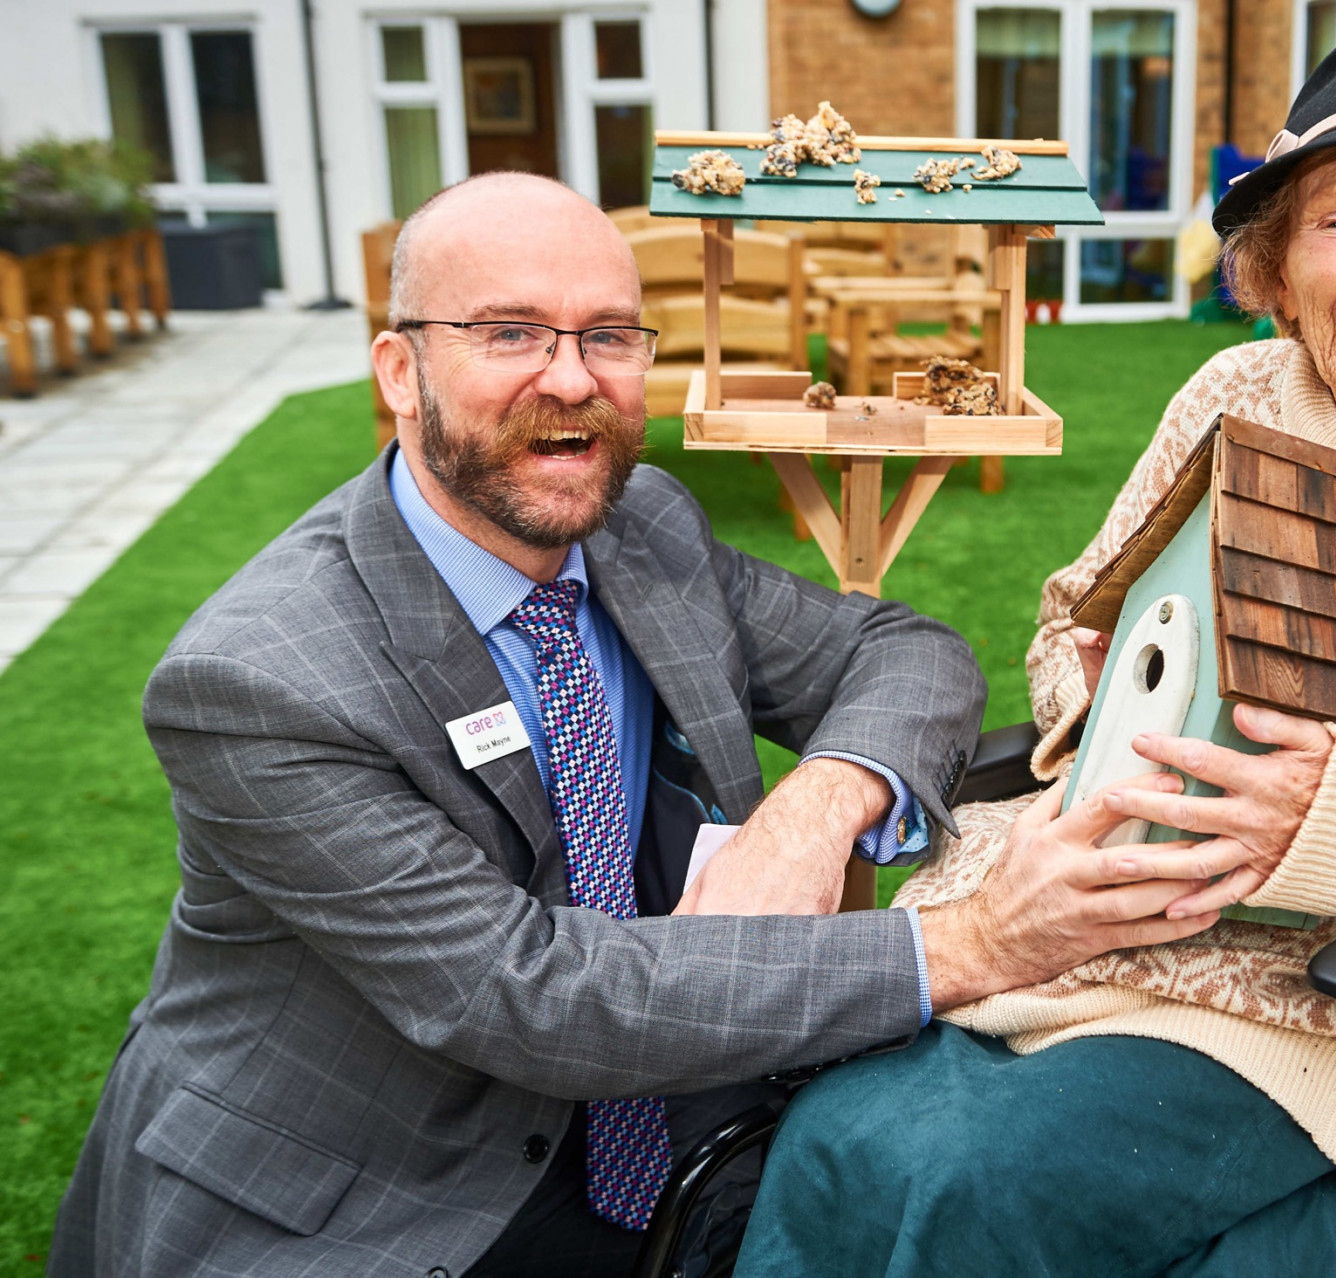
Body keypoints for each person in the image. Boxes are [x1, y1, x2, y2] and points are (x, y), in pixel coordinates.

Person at [47, 172, 1231, 1278]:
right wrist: (974, 944)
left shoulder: (643, 526)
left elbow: (902, 650)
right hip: (372, 1191)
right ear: (401, 373)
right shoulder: (260, 679)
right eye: (510, 333)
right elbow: (527, 998)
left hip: (674, 1105)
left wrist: (819, 807)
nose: (572, 380)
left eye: (610, 335)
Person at [736, 28, 1336, 1277]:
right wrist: (1112, 705)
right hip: (1080, 907)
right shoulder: (1231, 393)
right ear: (1278, 266)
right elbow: (1078, 621)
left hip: (1325, 988)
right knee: (829, 1135)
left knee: (971, 1181)